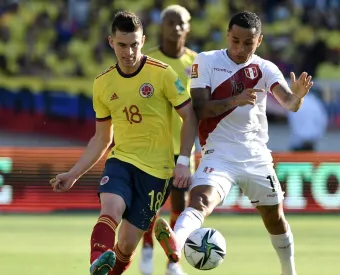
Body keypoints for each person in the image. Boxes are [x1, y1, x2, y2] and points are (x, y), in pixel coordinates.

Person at [154, 11, 314, 275]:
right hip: (219, 154)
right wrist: (235, 100)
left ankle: (289, 272)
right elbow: (200, 108)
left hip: (256, 156)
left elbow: (289, 103)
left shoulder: (265, 68)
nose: (240, 48)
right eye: (235, 40)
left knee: (274, 219)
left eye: (247, 43)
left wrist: (297, 98)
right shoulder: (206, 61)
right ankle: (175, 246)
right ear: (227, 35)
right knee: (200, 201)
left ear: (259, 40)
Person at [49, 11, 197, 275]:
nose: (128, 52)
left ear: (143, 40)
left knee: (127, 246)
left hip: (158, 171)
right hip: (122, 161)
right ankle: (97, 261)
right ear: (111, 42)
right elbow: (102, 138)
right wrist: (73, 174)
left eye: (134, 45)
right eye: (122, 45)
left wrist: (183, 161)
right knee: (111, 208)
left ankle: (112, 261)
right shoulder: (103, 84)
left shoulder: (163, 74)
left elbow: (189, 116)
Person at [139, 5, 196, 275]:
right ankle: (147, 247)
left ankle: (173, 261)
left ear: (189, 26)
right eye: (169, 23)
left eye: (180, 23)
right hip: (154, 146)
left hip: (183, 146)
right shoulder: (147, 61)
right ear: (161, 26)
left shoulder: (197, 63)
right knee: (150, 205)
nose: (175, 28)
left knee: (180, 204)